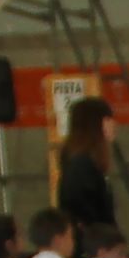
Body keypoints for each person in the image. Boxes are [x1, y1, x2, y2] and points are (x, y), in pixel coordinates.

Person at [54, 97, 118, 240]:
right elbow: (82, 212)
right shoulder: (81, 166)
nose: (114, 124)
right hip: (91, 248)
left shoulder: (87, 163)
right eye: (108, 119)